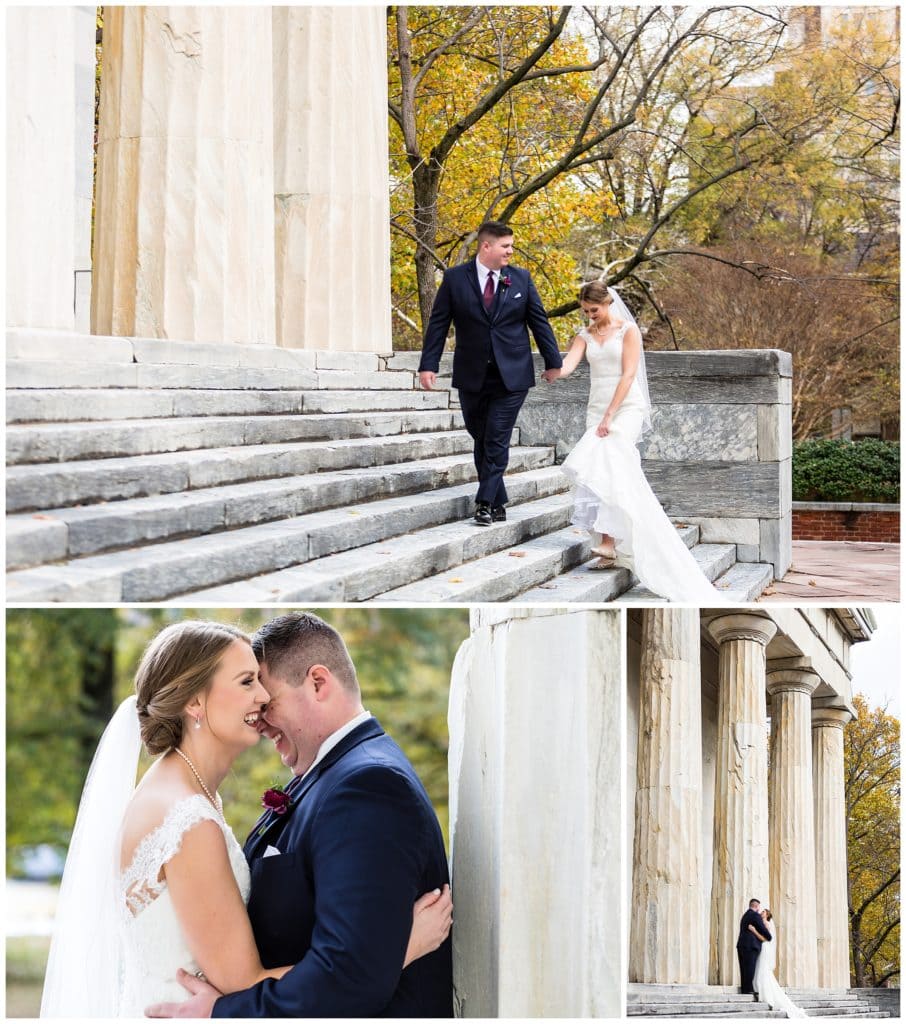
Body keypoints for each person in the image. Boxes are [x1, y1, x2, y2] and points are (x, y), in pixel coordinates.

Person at [40, 619, 452, 1018]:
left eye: (261, 682)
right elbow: (244, 982)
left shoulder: (191, 796)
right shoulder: (185, 814)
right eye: (246, 682)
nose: (262, 700)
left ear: (318, 683)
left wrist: (363, 965)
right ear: (195, 701)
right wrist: (396, 951)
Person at [551, 281, 724, 602]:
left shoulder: (627, 330)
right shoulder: (584, 335)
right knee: (599, 469)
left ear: (607, 303)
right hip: (596, 408)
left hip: (626, 407)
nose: (590, 315)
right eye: (586, 311)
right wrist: (552, 372)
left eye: (595, 310)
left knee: (611, 463)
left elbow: (629, 374)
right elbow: (568, 366)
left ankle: (611, 540)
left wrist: (610, 416)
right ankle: (611, 542)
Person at [418, 220, 563, 526]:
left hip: (512, 375)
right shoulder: (456, 279)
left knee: (496, 437)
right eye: (505, 246)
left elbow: (539, 322)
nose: (511, 251)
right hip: (472, 374)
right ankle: (498, 499)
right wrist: (428, 364)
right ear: (486, 246)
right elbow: (439, 324)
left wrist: (553, 361)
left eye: (511, 246)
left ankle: (484, 502)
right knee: (480, 434)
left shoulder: (520, 279)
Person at [753, 910, 808, 1017]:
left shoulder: (766, 923)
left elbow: (765, 938)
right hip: (764, 948)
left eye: (764, 911)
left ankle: (764, 992)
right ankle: (760, 989)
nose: (762, 912)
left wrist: (754, 931)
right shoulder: (763, 922)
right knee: (761, 968)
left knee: (762, 968)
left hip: (764, 947)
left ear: (767, 915)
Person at [736, 897, 773, 997]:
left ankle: (745, 989)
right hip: (751, 946)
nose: (760, 910)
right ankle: (748, 989)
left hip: (741, 945)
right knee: (750, 967)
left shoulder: (745, 915)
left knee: (743, 968)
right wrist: (768, 936)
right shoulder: (755, 915)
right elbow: (766, 934)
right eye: (759, 908)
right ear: (756, 906)